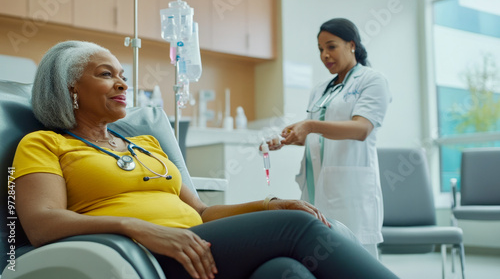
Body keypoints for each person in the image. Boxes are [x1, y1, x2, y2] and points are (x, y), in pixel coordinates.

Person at [12, 40, 398, 279]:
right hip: (144, 253)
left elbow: (201, 212)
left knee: (285, 271)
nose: (123, 84)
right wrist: (137, 228)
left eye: (123, 75)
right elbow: (41, 224)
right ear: (69, 89)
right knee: (297, 228)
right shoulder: (44, 143)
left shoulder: (145, 143)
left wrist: (270, 204)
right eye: (105, 74)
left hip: (197, 243)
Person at [271, 18, 392, 258]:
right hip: (316, 186)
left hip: (349, 190)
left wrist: (310, 125)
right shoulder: (320, 89)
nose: (324, 55)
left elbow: (361, 129)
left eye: (331, 46)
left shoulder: (372, 80)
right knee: (319, 258)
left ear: (352, 45)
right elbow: (316, 138)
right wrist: (287, 139)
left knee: (355, 261)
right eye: (320, 50)